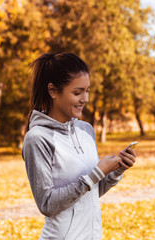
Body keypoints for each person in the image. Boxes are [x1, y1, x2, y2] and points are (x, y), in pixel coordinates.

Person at [22, 52, 136, 239]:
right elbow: (47, 204)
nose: (85, 99)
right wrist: (97, 172)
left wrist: (116, 170)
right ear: (53, 91)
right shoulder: (37, 138)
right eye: (77, 92)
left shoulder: (86, 130)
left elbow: (90, 191)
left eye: (87, 90)